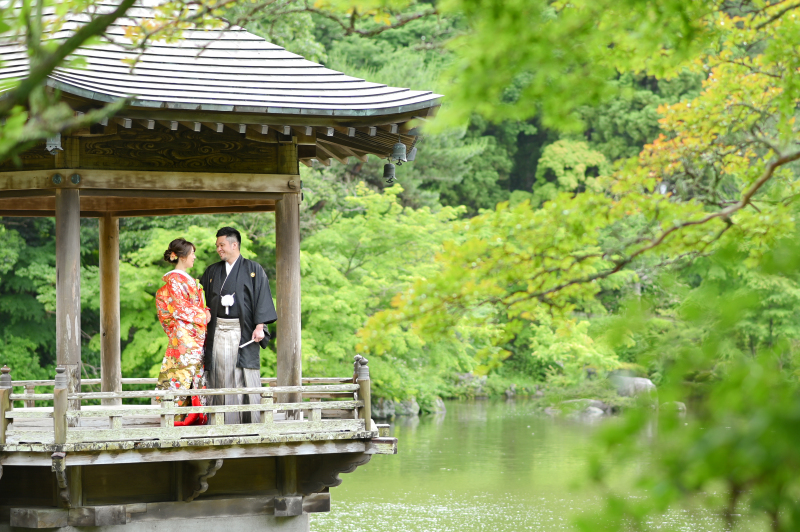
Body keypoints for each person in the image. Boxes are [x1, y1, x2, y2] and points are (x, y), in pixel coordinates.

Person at [199, 227, 277, 424]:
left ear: (234, 245)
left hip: (243, 331)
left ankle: (248, 421)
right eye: (217, 245)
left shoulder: (253, 269)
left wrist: (260, 326)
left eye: (222, 245)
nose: (218, 249)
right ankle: (219, 420)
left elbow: (262, 297)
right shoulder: (212, 271)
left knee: (244, 374)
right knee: (218, 372)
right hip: (218, 330)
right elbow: (200, 300)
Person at [155, 238, 211, 426]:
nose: (194, 257)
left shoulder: (182, 279)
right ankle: (177, 419)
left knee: (191, 376)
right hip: (186, 338)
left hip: (188, 336)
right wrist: (203, 316)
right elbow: (178, 308)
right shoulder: (175, 280)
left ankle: (192, 416)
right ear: (181, 256)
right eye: (192, 253)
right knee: (181, 376)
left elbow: (167, 313)